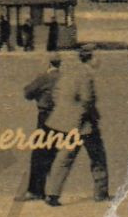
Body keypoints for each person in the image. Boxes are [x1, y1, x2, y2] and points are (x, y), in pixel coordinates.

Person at [43, 44, 109, 207]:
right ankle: (101, 193)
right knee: (98, 157)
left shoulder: (71, 71)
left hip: (68, 121)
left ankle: (52, 193)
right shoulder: (86, 74)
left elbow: (57, 93)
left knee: (64, 157)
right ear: (91, 58)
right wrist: (92, 116)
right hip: (84, 123)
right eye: (97, 56)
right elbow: (87, 100)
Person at [19, 55, 62, 202]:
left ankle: (36, 191)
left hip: (46, 117)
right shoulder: (64, 77)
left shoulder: (44, 77)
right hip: (63, 118)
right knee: (55, 155)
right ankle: (53, 192)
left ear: (48, 64)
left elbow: (27, 92)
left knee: (39, 154)